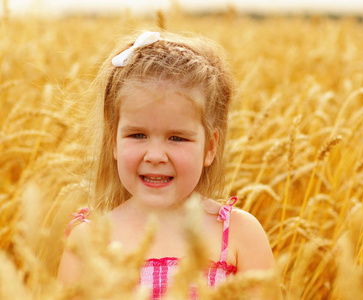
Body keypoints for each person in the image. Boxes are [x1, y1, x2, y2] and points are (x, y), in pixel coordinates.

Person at [58, 31, 275, 298]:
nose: (155, 155)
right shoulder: (88, 243)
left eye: (177, 138)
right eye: (137, 135)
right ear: (113, 141)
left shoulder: (240, 235)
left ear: (210, 147)